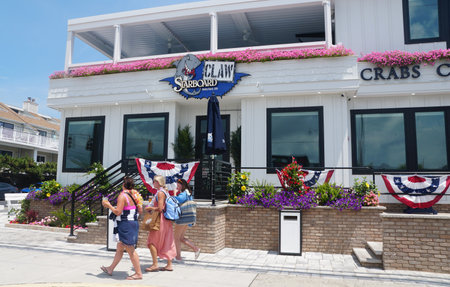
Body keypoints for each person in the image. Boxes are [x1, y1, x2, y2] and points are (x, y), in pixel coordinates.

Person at [100, 176, 143, 280]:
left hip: (125, 225)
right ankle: (110, 268)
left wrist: (108, 205)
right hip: (133, 223)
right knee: (120, 248)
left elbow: (118, 212)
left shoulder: (122, 196)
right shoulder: (135, 194)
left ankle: (138, 273)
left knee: (130, 249)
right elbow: (140, 210)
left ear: (123, 185)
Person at [145, 175, 176, 272]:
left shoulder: (160, 193)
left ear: (158, 182)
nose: (153, 183)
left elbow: (160, 208)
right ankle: (169, 265)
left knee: (151, 242)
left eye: (154, 181)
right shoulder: (165, 192)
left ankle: (155, 264)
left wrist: (150, 208)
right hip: (166, 221)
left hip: (160, 220)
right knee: (167, 241)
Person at [174, 178, 200, 261]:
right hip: (187, 218)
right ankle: (196, 249)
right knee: (181, 238)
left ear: (182, 185)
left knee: (176, 238)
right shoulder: (188, 193)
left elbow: (176, 201)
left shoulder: (183, 194)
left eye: (178, 185)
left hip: (182, 218)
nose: (177, 187)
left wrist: (175, 193)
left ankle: (178, 257)